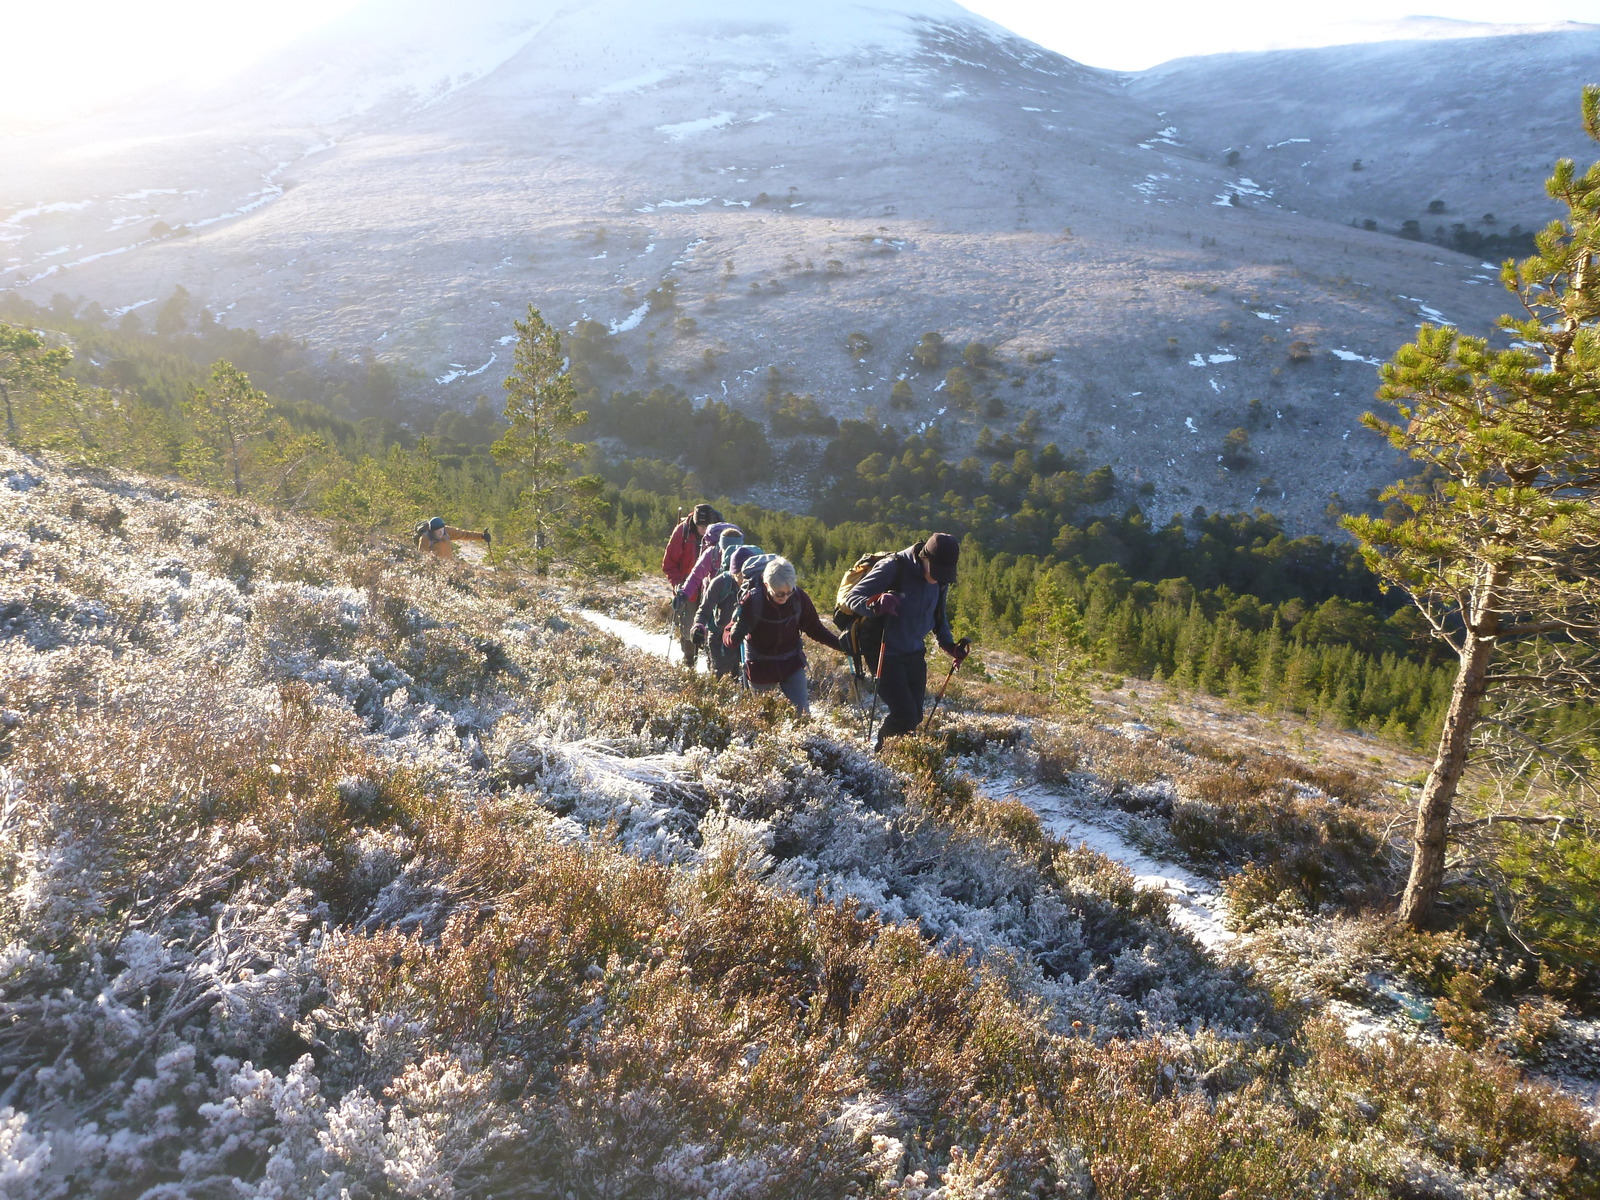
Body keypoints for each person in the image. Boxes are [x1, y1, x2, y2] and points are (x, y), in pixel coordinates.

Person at [845, 532, 968, 750]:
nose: (938, 578)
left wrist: (949, 646)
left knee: (916, 715)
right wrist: (875, 604)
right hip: (883, 650)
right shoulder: (894, 567)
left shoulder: (941, 579)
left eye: (944, 574)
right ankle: (882, 757)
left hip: (914, 650)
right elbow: (852, 598)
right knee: (905, 714)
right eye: (936, 571)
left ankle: (896, 755)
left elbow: (939, 615)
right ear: (924, 557)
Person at [724, 556, 843, 715]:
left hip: (791, 664)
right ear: (767, 585)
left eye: (789, 592)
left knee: (802, 715)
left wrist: (841, 645)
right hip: (760, 667)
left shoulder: (799, 598)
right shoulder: (752, 601)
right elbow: (729, 634)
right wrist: (733, 637)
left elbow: (815, 629)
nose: (785, 598)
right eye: (779, 594)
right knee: (763, 718)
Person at [662, 502, 722, 664]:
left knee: (713, 628)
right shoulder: (682, 532)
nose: (704, 530)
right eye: (700, 526)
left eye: (707, 526)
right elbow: (669, 564)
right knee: (689, 626)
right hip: (688, 590)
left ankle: (713, 664)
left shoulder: (720, 533)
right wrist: (677, 584)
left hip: (713, 588)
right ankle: (689, 661)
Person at [693, 542, 762, 679]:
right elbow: (704, 609)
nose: (745, 579)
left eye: (747, 573)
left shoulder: (755, 584)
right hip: (719, 637)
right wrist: (698, 626)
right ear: (733, 572)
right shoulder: (720, 583)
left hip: (744, 636)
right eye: (741, 574)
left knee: (744, 676)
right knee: (722, 676)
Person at [416, 517, 491, 561]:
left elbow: (464, 534)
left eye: (442, 529)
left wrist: (482, 536)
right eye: (438, 531)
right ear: (432, 531)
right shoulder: (425, 539)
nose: (441, 532)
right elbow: (423, 557)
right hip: (436, 568)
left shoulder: (447, 531)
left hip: (449, 565)